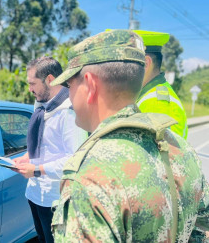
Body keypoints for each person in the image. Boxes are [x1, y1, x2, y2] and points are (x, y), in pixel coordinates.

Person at [50, 30, 209, 242]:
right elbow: (200, 228)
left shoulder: (89, 176)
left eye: (70, 86)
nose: (69, 98)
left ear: (90, 84)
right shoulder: (183, 149)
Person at [13, 56, 87, 243]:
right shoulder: (42, 104)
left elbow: (74, 160)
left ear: (50, 79)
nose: (29, 89)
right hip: (35, 193)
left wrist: (37, 170)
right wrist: (27, 157)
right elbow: (43, 144)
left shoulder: (69, 111)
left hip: (54, 200)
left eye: (32, 83)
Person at [134, 30, 188, 139]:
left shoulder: (157, 104)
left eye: (126, 62)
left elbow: (160, 155)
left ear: (145, 63)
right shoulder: (149, 95)